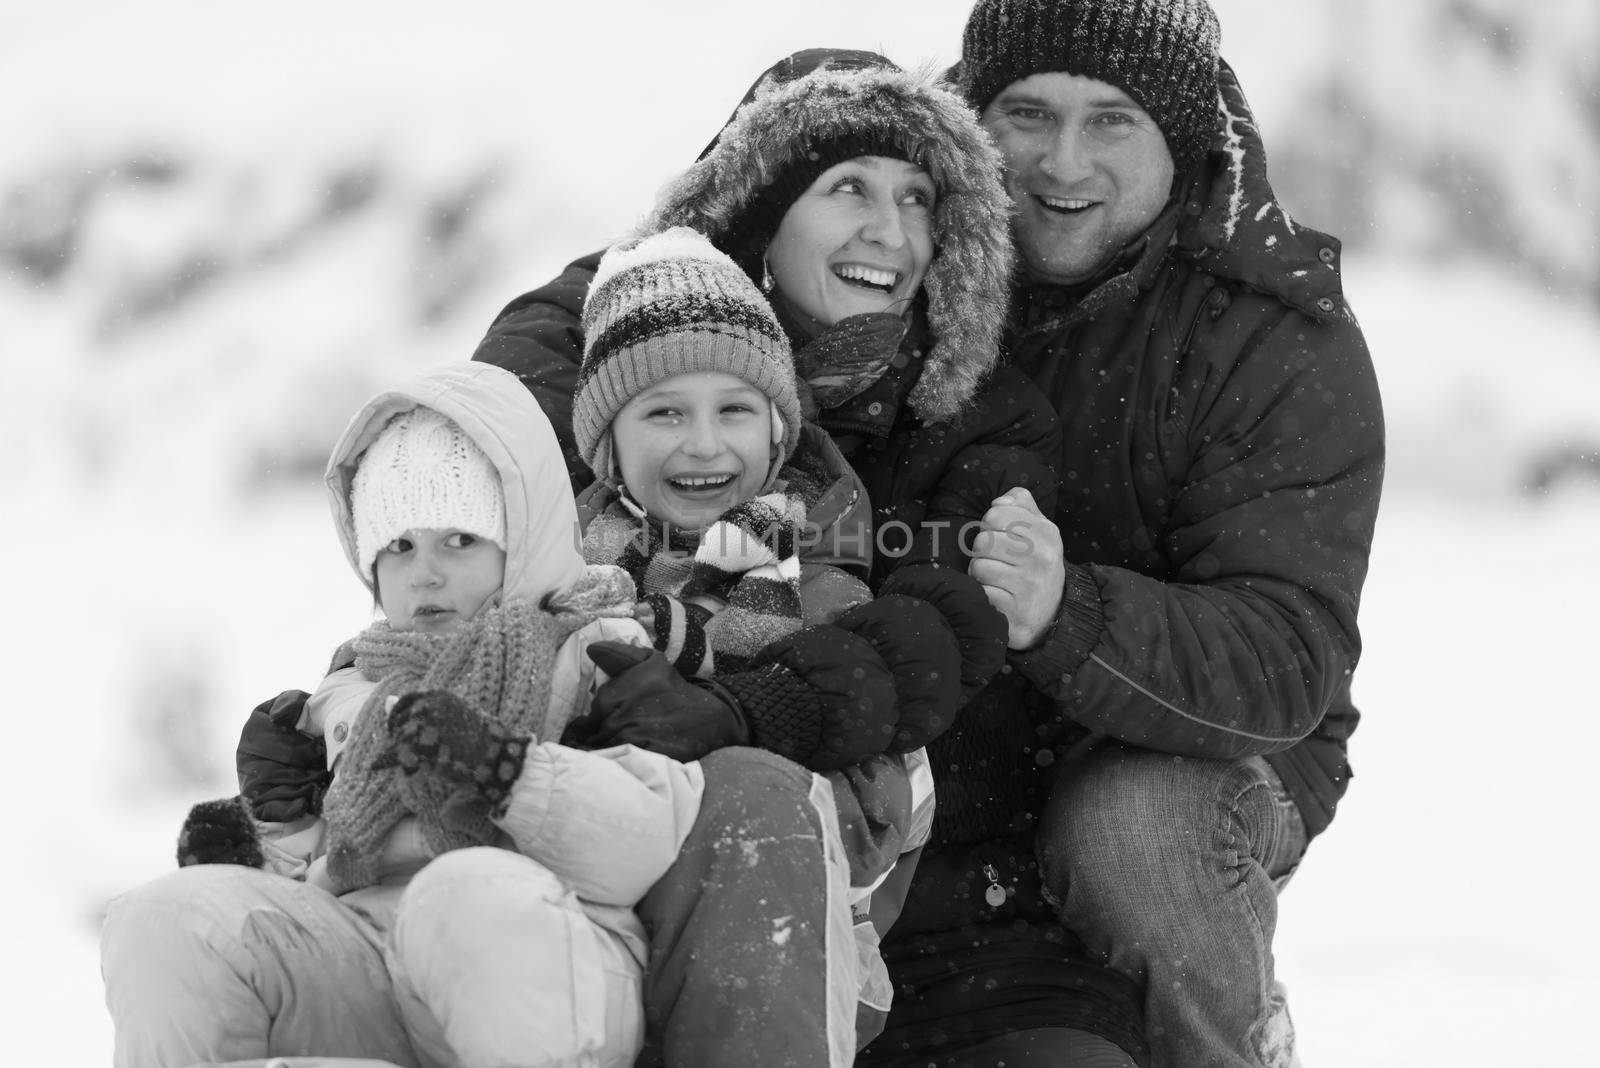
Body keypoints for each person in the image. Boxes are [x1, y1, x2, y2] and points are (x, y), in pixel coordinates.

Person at [471, 48, 1149, 1066]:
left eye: (919, 199)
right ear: (758, 214)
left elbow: (937, 626)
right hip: (606, 837)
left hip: (940, 896)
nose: (891, 231)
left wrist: (751, 704)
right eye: (848, 190)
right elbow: (460, 535)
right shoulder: (599, 334)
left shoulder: (978, 414)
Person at [864, 3, 1383, 1067]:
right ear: (973, 112)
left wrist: (1069, 614)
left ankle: (1227, 1042)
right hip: (933, 715)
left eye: (1111, 122)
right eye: (1027, 112)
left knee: (1127, 832)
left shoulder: (1273, 332)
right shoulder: (893, 220)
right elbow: (669, 276)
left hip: (1204, 747)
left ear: (1181, 133)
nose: (1061, 161)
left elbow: (1284, 658)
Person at [104, 360, 734, 1068]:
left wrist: (510, 771)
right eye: (398, 546)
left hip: (542, 962)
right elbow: (336, 862)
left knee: (460, 894)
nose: (425, 572)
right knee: (167, 919)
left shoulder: (596, 649)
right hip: (370, 967)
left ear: (519, 538)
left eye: (459, 539)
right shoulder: (353, 684)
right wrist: (271, 833)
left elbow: (642, 847)